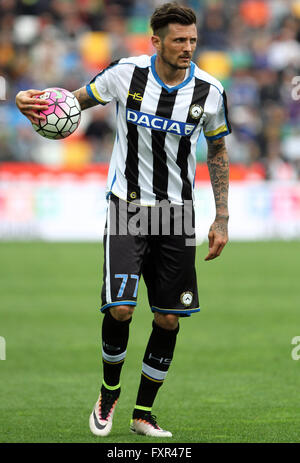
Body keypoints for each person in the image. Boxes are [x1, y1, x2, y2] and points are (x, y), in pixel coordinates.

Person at [16, 2, 231, 438]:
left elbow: (219, 151)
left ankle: (143, 413)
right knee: (120, 309)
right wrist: (32, 101)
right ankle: (109, 392)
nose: (188, 47)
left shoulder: (211, 91)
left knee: (168, 319)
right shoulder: (125, 74)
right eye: (178, 40)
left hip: (177, 215)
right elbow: (70, 104)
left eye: (193, 40)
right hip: (127, 208)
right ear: (156, 41)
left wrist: (221, 216)